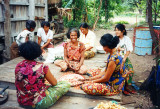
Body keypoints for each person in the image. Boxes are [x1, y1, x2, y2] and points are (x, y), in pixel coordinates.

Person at [15, 41, 70, 109]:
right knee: (65, 84)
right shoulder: (42, 66)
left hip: (21, 101)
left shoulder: (18, 65)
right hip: (38, 104)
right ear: (37, 52)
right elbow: (54, 83)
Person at [115, 24, 136, 95]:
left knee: (130, 71)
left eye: (118, 30)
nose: (116, 32)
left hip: (124, 58)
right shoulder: (115, 39)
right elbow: (112, 50)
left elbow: (129, 49)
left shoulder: (127, 39)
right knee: (122, 71)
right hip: (117, 59)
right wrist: (117, 49)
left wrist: (124, 59)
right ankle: (122, 88)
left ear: (123, 31)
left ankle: (127, 86)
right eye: (116, 30)